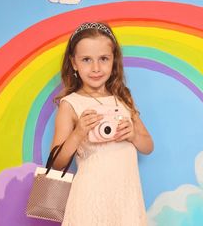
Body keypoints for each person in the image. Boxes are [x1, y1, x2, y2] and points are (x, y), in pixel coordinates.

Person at [50, 22, 154, 225]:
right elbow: (56, 163)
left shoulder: (123, 98)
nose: (96, 68)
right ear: (73, 63)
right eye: (86, 60)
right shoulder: (70, 104)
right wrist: (78, 133)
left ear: (113, 60)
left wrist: (132, 135)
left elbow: (148, 146)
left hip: (126, 200)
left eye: (103, 59)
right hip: (90, 200)